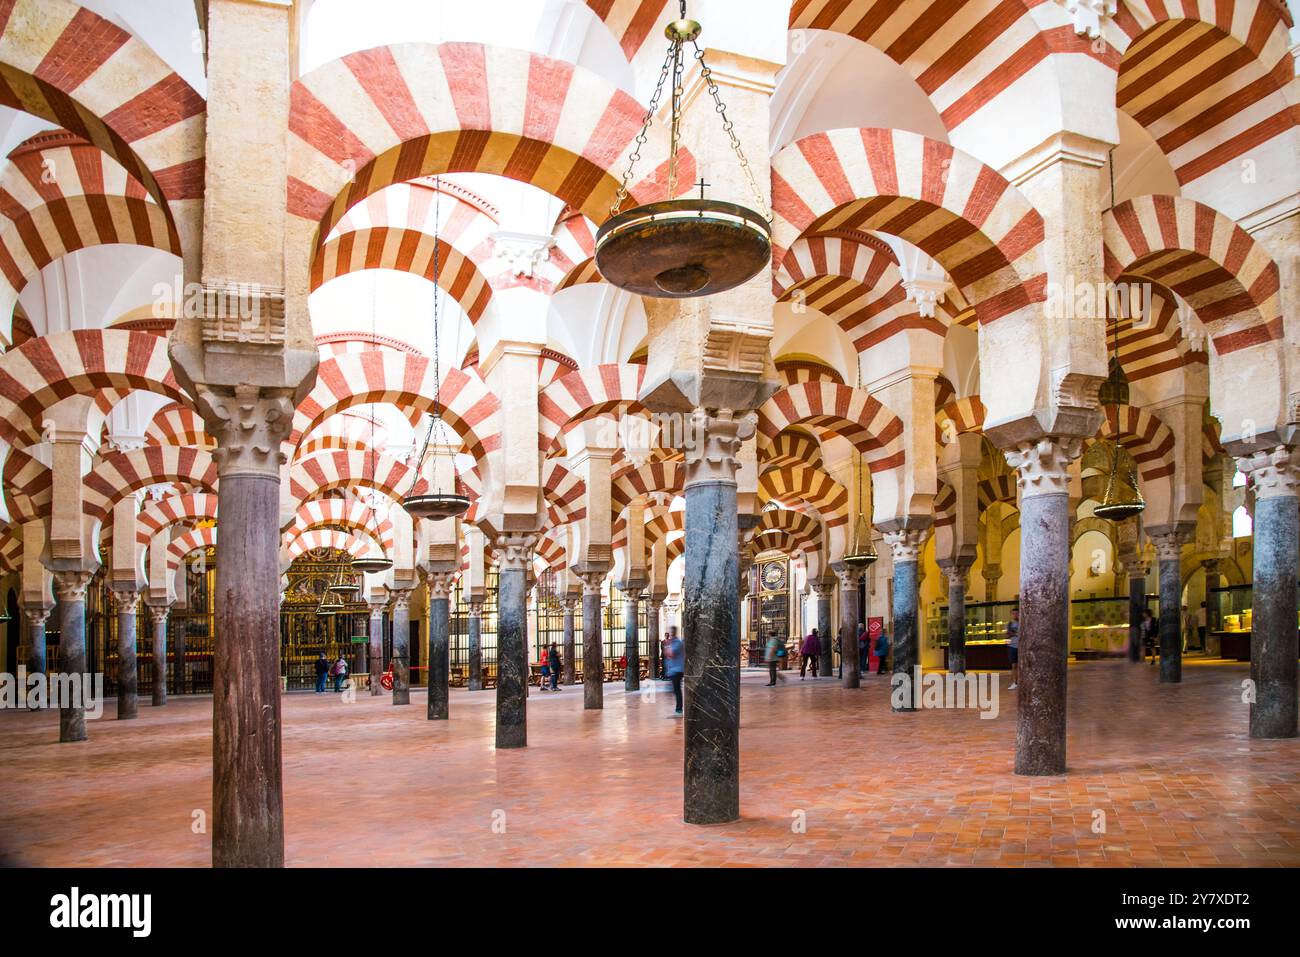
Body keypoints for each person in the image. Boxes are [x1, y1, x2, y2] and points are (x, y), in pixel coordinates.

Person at [664, 626, 684, 716]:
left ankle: (679, 709)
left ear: (674, 633)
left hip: (677, 670)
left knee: (677, 690)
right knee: (676, 689)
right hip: (674, 670)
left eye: (671, 632)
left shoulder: (677, 642)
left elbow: (670, 653)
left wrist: (667, 647)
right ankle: (678, 708)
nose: (670, 634)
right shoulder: (673, 642)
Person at [1006, 608, 1020, 690]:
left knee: (1022, 666)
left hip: (1022, 647)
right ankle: (1015, 682)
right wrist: (1015, 634)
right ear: (1011, 615)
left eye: (1017, 613)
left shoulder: (1023, 622)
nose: (1015, 615)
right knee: (1014, 665)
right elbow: (1007, 635)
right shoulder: (1010, 624)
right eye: (1013, 613)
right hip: (1012, 646)